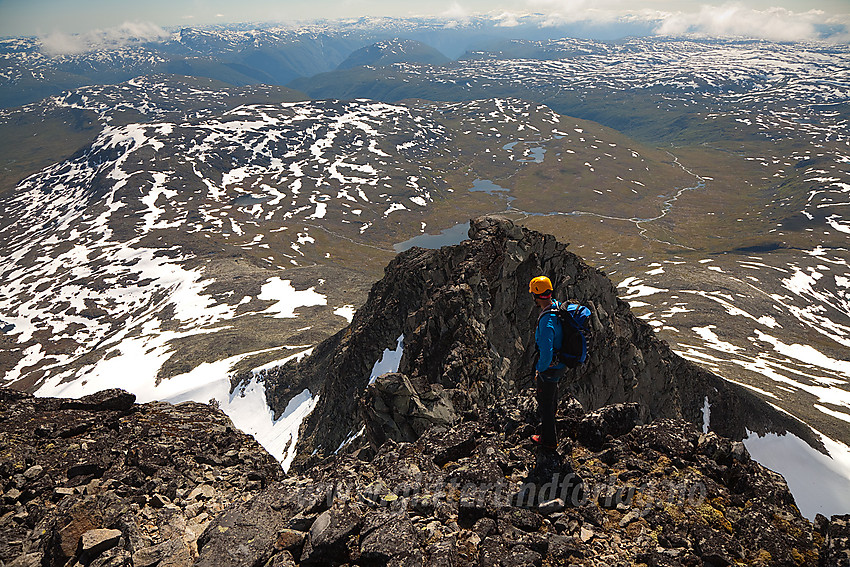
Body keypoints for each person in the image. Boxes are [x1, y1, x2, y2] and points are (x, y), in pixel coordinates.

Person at [529, 275, 566, 451]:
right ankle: (550, 434)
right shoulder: (557, 308)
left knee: (545, 405)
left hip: (550, 369)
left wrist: (539, 369)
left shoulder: (546, 321)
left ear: (536, 296)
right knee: (552, 399)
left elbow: (546, 351)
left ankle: (549, 441)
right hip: (561, 365)